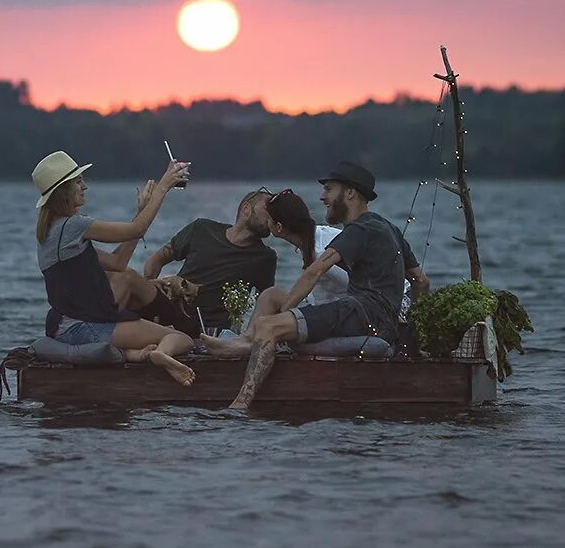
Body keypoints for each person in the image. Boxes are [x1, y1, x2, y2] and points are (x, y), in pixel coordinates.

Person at [228, 162, 425, 409]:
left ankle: (240, 405)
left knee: (269, 326)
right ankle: (245, 349)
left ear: (350, 193)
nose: (323, 197)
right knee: (273, 312)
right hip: (377, 320)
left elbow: (315, 271)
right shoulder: (389, 228)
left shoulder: (358, 230)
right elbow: (421, 281)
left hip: (359, 313)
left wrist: (284, 314)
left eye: (330, 190)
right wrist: (413, 333)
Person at [33, 150, 196, 386]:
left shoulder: (53, 232)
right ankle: (163, 354)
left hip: (66, 327)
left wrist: (141, 211)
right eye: (78, 181)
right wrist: (164, 186)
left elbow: (118, 263)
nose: (84, 186)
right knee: (181, 338)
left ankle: (144, 354)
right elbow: (137, 231)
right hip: (84, 328)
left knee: (128, 282)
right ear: (64, 190)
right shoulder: (73, 226)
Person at [202, 188, 429, 356]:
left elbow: (354, 288)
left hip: (373, 313)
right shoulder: (310, 244)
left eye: (268, 219)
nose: (264, 222)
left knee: (280, 307)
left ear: (279, 228)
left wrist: (287, 316)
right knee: (271, 295)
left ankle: (248, 343)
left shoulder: (321, 248)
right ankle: (246, 340)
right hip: (341, 308)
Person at [142, 189, 277, 333]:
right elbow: (155, 261)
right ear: (246, 209)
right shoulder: (202, 229)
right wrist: (150, 300)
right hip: (172, 320)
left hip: (216, 331)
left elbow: (266, 304)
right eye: (268, 208)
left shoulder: (265, 257)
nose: (274, 215)